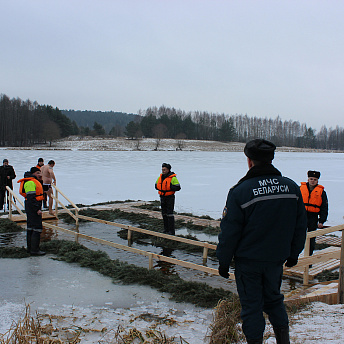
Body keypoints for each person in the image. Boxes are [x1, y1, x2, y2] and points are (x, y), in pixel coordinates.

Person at [216, 139, 307, 344]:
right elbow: (300, 226)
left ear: (249, 161)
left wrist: (223, 260)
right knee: (274, 300)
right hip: (276, 259)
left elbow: (230, 231)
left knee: (252, 307)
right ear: (271, 159)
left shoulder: (240, 191)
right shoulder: (291, 188)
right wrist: (294, 253)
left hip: (249, 262)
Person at [17, 167, 45, 255]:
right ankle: (34, 250)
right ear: (33, 174)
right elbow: (31, 198)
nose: (39, 175)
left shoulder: (34, 181)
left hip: (32, 207)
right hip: (32, 207)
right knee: (36, 228)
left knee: (31, 228)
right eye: (37, 173)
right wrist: (37, 209)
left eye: (40, 173)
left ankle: (31, 249)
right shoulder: (30, 183)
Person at [300, 170, 328, 256]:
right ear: (308, 179)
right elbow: (293, 204)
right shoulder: (300, 189)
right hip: (301, 216)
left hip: (313, 217)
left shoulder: (321, 192)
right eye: (311, 179)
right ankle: (295, 257)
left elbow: (324, 208)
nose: (313, 181)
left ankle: (309, 258)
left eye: (315, 179)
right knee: (298, 237)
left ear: (317, 181)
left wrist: (321, 221)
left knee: (311, 238)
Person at [155, 163, 181, 235]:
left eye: (164, 169)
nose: (163, 171)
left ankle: (171, 231)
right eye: (162, 169)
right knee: (164, 213)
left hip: (170, 197)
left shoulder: (173, 178)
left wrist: (169, 187)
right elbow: (156, 185)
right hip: (162, 197)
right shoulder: (160, 177)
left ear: (168, 170)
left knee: (170, 214)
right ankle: (165, 229)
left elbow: (178, 187)